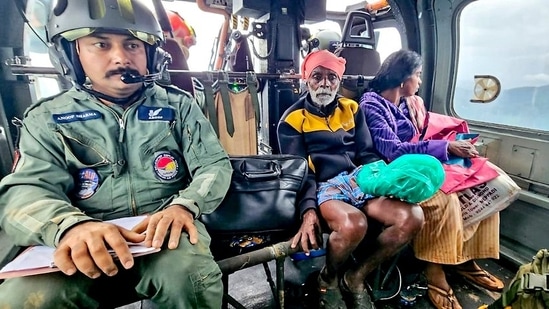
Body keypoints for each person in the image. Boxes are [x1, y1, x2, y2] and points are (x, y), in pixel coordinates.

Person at [0, 0, 232, 308]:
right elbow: (25, 191)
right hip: (82, 234)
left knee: (189, 277)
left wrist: (185, 207)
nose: (121, 57)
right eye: (101, 44)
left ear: (151, 55)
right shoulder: (46, 119)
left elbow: (214, 166)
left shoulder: (179, 106)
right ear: (72, 53)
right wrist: (70, 226)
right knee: (22, 300)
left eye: (133, 45)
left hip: (163, 227)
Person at [277, 49, 425, 309]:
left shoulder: (352, 108)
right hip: (324, 185)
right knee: (354, 224)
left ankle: (356, 276)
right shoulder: (292, 120)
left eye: (332, 77)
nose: (325, 83)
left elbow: (366, 153)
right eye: (317, 76)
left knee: (412, 217)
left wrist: (384, 179)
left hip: (359, 178)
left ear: (339, 81)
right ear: (306, 79)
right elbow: (299, 173)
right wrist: (308, 210)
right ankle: (329, 277)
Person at [359, 49, 505, 309]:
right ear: (403, 79)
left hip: (418, 164)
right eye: (417, 75)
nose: (420, 81)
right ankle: (434, 270)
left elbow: (422, 135)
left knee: (482, 182)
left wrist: (449, 142)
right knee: (443, 197)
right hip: (392, 171)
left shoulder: (408, 103)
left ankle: (465, 260)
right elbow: (392, 150)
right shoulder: (371, 104)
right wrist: (445, 149)